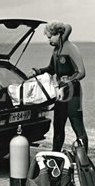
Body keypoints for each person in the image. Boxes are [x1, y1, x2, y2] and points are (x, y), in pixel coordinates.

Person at [30, 22, 89, 153]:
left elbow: (81, 72)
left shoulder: (71, 48)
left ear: (58, 34)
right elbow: (52, 69)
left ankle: (85, 161)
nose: (49, 40)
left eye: (50, 37)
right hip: (60, 93)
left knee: (77, 127)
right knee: (58, 126)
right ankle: (55, 156)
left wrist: (66, 85)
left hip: (73, 93)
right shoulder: (56, 50)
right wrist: (39, 71)